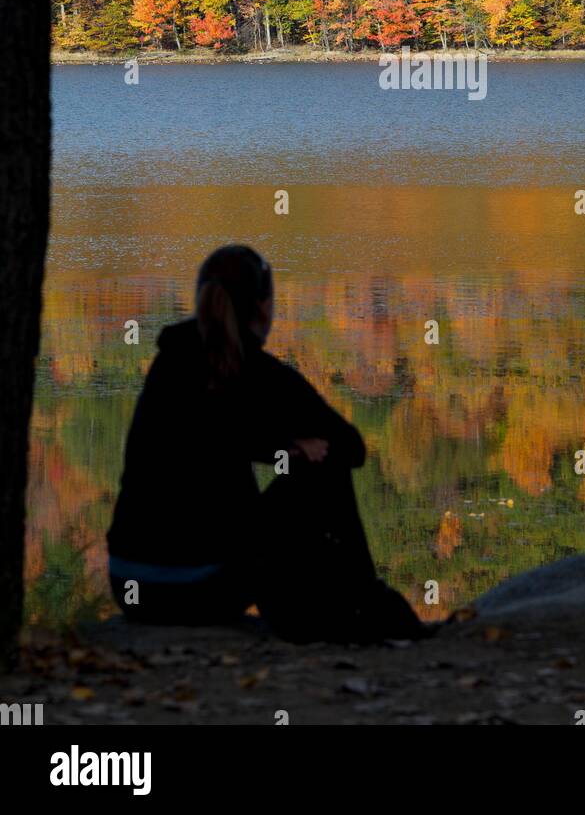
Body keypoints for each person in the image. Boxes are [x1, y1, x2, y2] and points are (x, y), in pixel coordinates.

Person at [107, 244, 425, 642]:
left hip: (131, 587)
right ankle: (359, 609)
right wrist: (286, 450)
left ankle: (336, 613)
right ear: (263, 308)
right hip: (202, 590)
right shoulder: (262, 374)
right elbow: (350, 448)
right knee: (323, 469)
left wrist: (272, 449)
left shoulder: (168, 360)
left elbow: (199, 440)